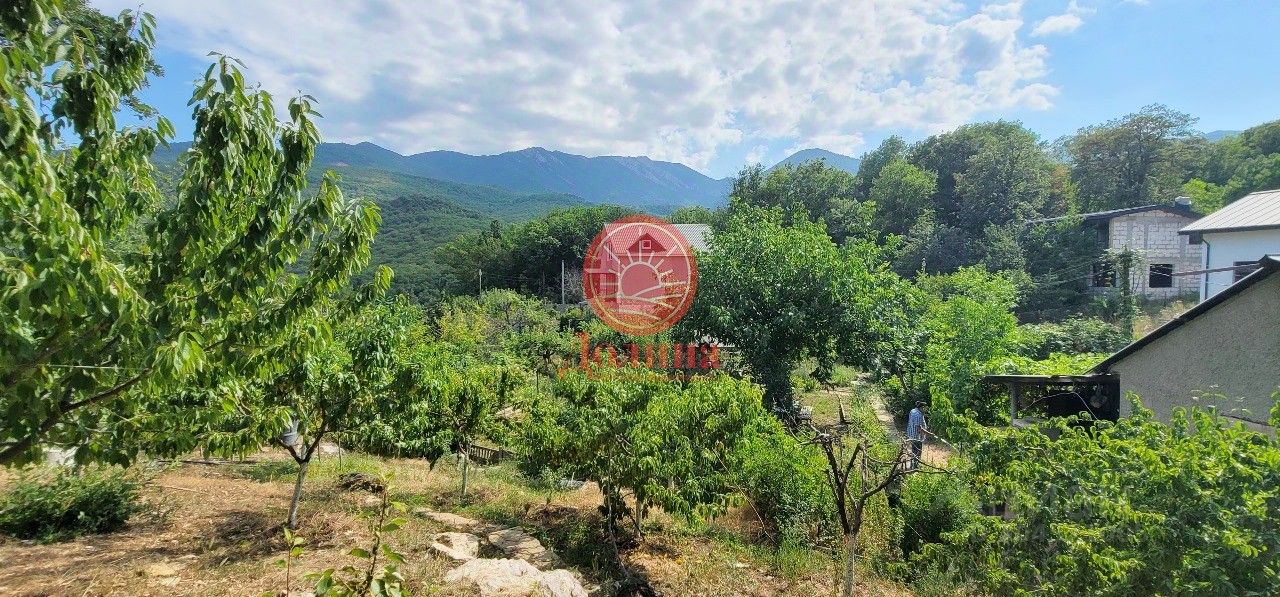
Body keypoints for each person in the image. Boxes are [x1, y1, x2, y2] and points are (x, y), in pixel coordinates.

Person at [906, 401, 928, 470]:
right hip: (917, 437)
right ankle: (915, 467)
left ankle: (913, 465)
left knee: (913, 451)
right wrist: (929, 433)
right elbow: (919, 428)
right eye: (925, 408)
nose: (926, 410)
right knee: (918, 452)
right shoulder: (918, 415)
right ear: (922, 407)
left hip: (911, 434)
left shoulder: (913, 410)